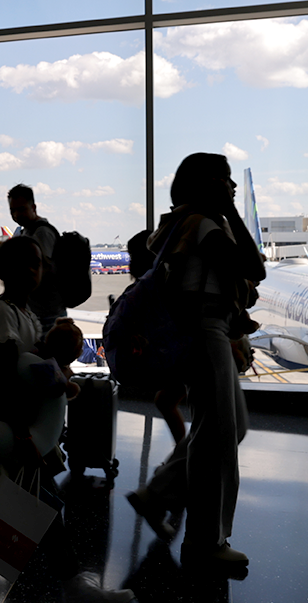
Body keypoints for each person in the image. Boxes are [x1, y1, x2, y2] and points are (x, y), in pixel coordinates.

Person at [0, 236, 132, 603]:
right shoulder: (4, 314)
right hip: (5, 429)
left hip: (10, 431)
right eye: (22, 263)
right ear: (3, 272)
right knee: (21, 503)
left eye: (36, 263)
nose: (31, 270)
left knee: (3, 501)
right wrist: (23, 430)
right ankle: (69, 586)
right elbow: (5, 378)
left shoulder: (23, 315)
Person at [124, 152, 266, 566]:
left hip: (207, 332)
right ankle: (206, 541)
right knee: (218, 439)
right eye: (224, 180)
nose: (232, 188)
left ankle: (160, 493)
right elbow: (253, 267)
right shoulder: (203, 225)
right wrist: (232, 214)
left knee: (226, 427)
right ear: (206, 186)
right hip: (206, 334)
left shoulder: (185, 224)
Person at [7, 184, 64, 329]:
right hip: (37, 311)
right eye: (12, 211)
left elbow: (39, 271)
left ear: (34, 208)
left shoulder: (42, 233)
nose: (16, 215)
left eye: (21, 209)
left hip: (47, 313)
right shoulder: (27, 231)